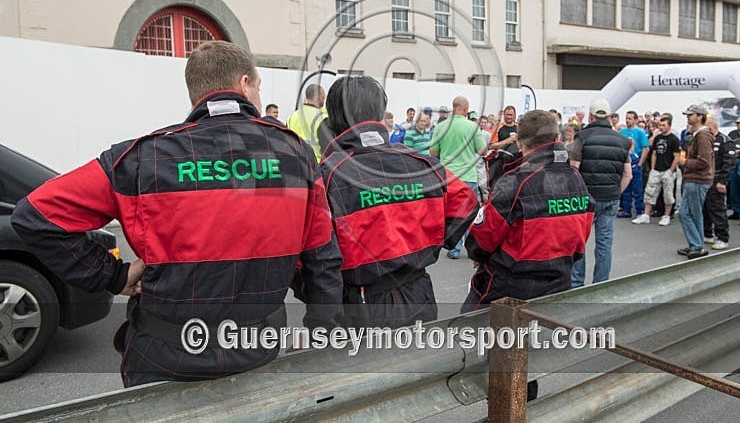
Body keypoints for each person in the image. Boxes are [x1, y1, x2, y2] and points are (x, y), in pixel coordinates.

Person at [11, 41, 344, 387]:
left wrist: (113, 276)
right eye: (259, 87)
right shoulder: (297, 156)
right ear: (244, 84)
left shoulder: (140, 159)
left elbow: (36, 215)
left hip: (164, 361)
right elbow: (322, 259)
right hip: (258, 354)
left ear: (196, 94)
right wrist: (324, 337)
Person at [319, 76, 478, 328]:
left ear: (334, 117)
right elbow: (466, 199)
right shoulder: (420, 164)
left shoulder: (329, 174)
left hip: (361, 302)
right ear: (380, 112)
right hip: (419, 291)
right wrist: (434, 240)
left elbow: (313, 254)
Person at [462, 109, 594, 403]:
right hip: (557, 281)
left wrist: (478, 255)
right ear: (557, 138)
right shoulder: (576, 177)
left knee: (472, 338)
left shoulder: (516, 180)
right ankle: (521, 406)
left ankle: (506, 409)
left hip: (509, 286)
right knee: (525, 357)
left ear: (520, 143)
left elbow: (482, 237)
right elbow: (582, 233)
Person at [570, 99, 632, 286]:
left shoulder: (582, 136)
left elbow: (574, 168)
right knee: (604, 244)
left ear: (590, 116)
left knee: (579, 243)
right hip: (611, 197)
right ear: (610, 117)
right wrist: (616, 192)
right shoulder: (623, 140)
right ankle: (601, 284)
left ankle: (576, 284)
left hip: (585, 199)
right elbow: (627, 174)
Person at [430, 96, 487, 259]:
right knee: (469, 213)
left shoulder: (441, 127)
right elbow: (483, 150)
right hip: (468, 176)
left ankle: (453, 247)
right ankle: (469, 247)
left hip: (448, 177)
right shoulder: (472, 127)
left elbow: (433, 153)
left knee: (450, 214)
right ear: (464, 109)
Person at [677, 104, 715, 259]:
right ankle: (696, 244)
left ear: (700, 116)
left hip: (698, 180)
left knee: (688, 213)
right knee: (690, 213)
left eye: (691, 114)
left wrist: (685, 162)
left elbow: (704, 162)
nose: (688, 117)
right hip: (695, 179)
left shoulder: (703, 136)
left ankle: (697, 245)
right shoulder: (699, 134)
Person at [632, 114, 680, 226]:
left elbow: (677, 156)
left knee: (667, 194)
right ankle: (646, 215)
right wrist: (653, 168)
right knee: (649, 192)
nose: (661, 127)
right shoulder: (658, 138)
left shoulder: (674, 139)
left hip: (667, 170)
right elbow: (654, 153)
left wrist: (671, 171)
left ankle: (667, 215)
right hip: (656, 170)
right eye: (660, 125)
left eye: (664, 125)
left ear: (669, 126)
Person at [702, 117, 736, 250]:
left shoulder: (726, 141)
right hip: (705, 179)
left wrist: (723, 181)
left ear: (710, 128)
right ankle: (707, 233)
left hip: (717, 179)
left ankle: (722, 237)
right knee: (705, 208)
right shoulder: (706, 140)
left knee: (717, 209)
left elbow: (729, 164)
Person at [619, 111, 650, 218]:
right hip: (625, 162)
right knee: (626, 187)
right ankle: (626, 210)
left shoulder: (640, 132)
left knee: (637, 189)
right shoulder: (622, 132)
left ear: (635, 120)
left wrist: (640, 163)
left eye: (630, 118)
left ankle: (639, 211)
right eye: (626, 118)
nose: (628, 120)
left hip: (636, 162)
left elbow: (646, 148)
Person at [287, 83, 327, 161]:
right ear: (318, 96)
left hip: (296, 163)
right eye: (323, 96)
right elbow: (328, 148)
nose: (324, 98)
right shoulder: (322, 118)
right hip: (316, 166)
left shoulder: (292, 116)